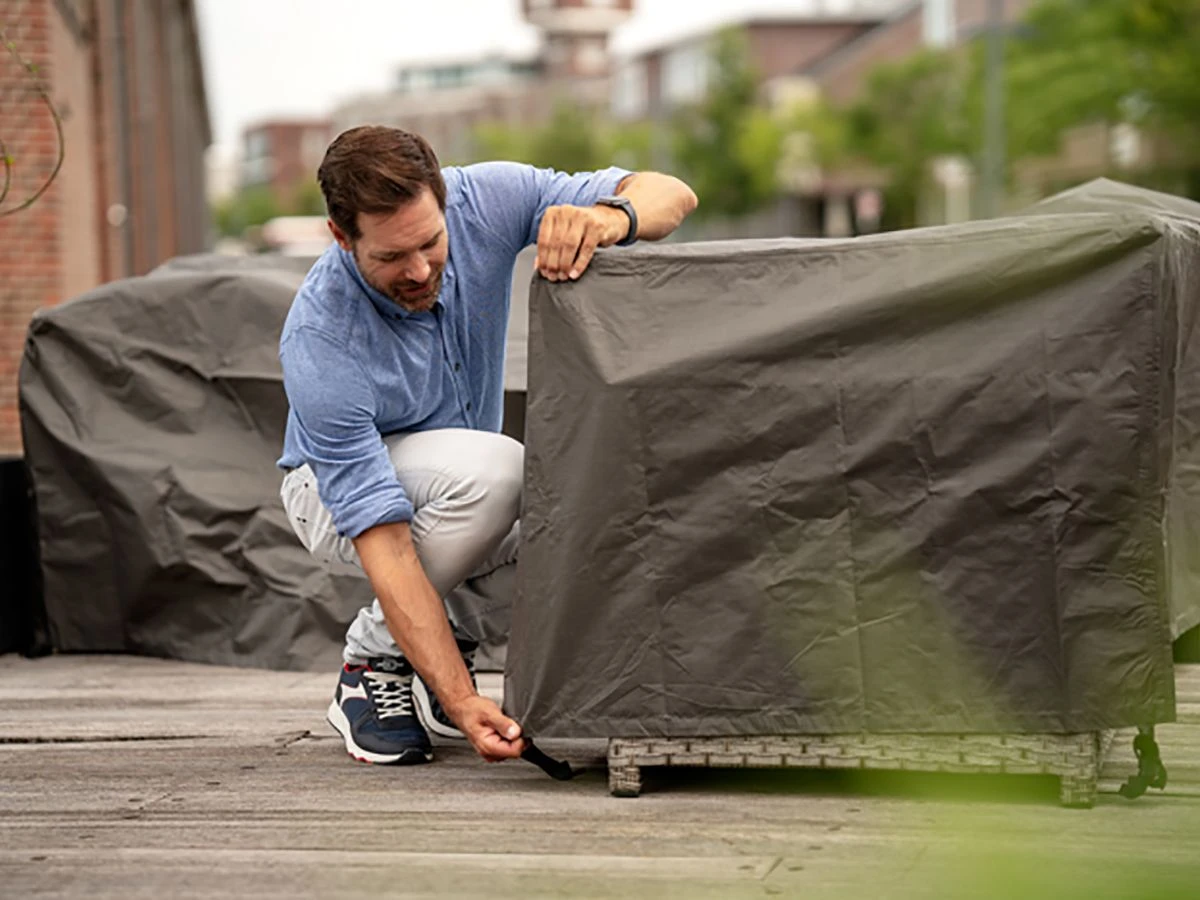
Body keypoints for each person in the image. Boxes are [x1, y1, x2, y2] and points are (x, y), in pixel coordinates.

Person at [277, 125, 698, 766]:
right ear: (341, 236)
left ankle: (441, 650)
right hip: (331, 498)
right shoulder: (320, 338)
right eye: (391, 257)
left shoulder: (489, 199)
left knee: (585, 529)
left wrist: (609, 219)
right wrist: (464, 699)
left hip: (464, 485)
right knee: (500, 471)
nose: (420, 270)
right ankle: (373, 664)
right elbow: (388, 545)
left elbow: (673, 194)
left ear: (445, 202)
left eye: (430, 242)